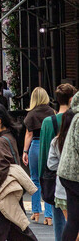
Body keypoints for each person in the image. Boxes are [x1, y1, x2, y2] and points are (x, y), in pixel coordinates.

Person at [0, 103, 38, 241]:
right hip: (8, 192)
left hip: (0, 195)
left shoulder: (1, 142)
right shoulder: (6, 137)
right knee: (17, 230)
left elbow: (1, 167)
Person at [38, 83, 76, 238]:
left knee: (58, 220)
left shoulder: (48, 122)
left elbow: (44, 154)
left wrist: (42, 177)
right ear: (72, 98)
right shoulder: (76, 119)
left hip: (55, 177)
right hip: (74, 178)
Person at [22, 86, 55, 225]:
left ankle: (36, 212)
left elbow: (29, 134)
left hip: (35, 145)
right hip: (49, 145)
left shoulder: (31, 114)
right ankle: (49, 216)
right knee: (48, 179)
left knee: (34, 179)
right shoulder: (52, 112)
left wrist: (25, 151)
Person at [47, 106, 75, 241]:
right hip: (74, 187)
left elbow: (51, 164)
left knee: (70, 223)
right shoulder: (75, 140)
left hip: (61, 189)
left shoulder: (56, 141)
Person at [57, 91, 79, 241]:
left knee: (74, 220)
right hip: (75, 175)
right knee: (74, 220)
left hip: (68, 174)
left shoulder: (76, 116)